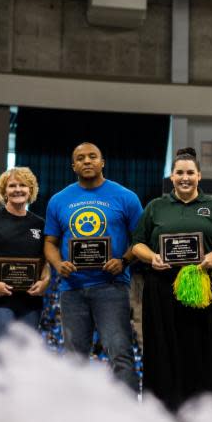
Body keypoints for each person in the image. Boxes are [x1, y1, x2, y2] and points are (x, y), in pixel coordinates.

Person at [130, 148, 212, 411]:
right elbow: (137, 245)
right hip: (163, 289)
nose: (185, 177)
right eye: (180, 172)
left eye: (190, 172)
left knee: (207, 349)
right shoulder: (156, 207)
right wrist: (152, 257)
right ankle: (167, 410)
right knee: (166, 349)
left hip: (208, 289)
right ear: (172, 176)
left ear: (199, 176)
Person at [44, 142, 143, 391]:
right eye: (80, 158)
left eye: (92, 156)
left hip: (112, 287)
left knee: (119, 353)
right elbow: (49, 243)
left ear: (102, 162)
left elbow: (141, 240)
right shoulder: (58, 200)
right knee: (74, 359)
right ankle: (76, 418)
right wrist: (58, 264)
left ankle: (129, 418)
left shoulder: (126, 197)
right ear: (73, 165)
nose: (86, 161)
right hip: (72, 289)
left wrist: (124, 261)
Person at [0, 167, 50, 342]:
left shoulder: (40, 223)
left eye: (23, 185)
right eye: (12, 185)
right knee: (2, 354)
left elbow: (44, 263)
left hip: (30, 302)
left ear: (30, 190)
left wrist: (45, 282)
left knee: (24, 357)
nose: (17, 189)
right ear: (4, 191)